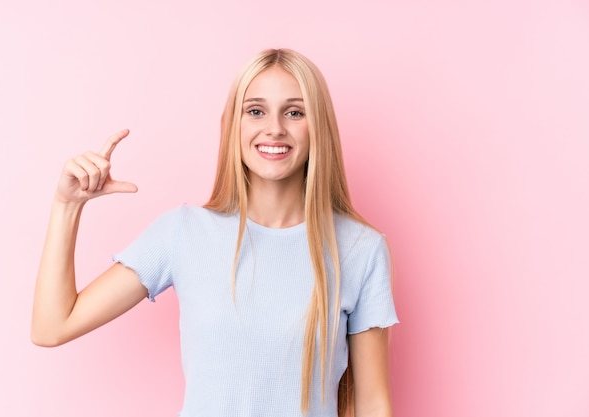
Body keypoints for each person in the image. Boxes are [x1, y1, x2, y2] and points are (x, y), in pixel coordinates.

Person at [32, 48, 398, 417]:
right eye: (255, 111)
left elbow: (371, 403)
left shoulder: (360, 249)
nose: (274, 128)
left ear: (318, 126)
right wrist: (67, 206)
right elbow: (51, 327)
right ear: (233, 125)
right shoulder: (183, 233)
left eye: (295, 112)